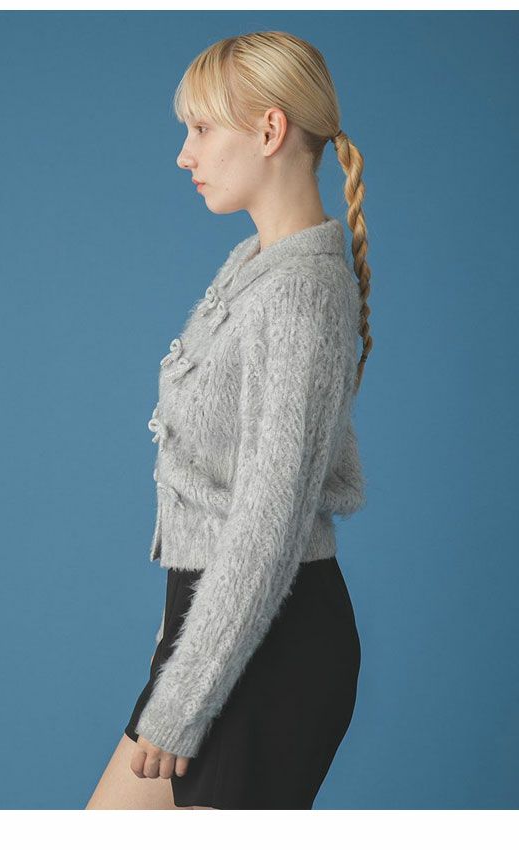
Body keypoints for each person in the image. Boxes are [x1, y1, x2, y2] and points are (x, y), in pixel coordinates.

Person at [86, 29, 372, 811]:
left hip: (268, 650)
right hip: (216, 640)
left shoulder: (301, 294)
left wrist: (185, 695)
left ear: (271, 129)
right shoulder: (255, 268)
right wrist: (173, 652)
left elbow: (268, 523)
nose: (186, 154)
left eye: (202, 128)